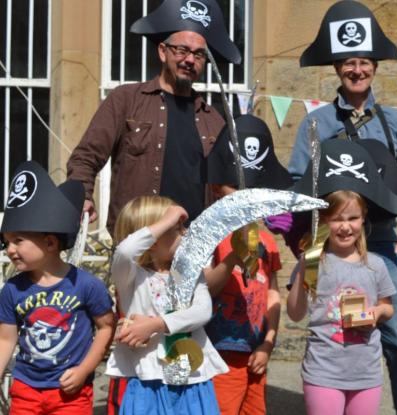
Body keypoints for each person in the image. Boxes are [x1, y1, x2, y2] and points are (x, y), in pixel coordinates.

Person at [288, 2, 397, 413]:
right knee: (329, 328)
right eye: (349, 63)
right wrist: (304, 245)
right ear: (336, 68)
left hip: (384, 243)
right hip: (329, 245)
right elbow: (298, 187)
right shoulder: (315, 124)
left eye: (364, 62)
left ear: (374, 67)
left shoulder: (394, 123)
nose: (357, 71)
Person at [66, 0, 242, 235]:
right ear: (162, 51)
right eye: (182, 50)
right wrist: (82, 196)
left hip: (193, 248)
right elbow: (86, 157)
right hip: (136, 242)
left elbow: (228, 189)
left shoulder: (214, 121)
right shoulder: (125, 100)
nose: (190, 60)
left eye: (199, 55)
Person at [287, 138, 397, 415]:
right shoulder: (314, 262)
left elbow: (388, 307)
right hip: (323, 372)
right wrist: (303, 271)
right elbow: (296, 313)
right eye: (336, 219)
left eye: (353, 218)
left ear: (363, 218)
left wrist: (376, 312)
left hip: (365, 374)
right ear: (322, 220)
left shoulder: (376, 266)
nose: (345, 227)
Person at [0, 161, 115, 414]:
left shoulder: (87, 285)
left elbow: (107, 326)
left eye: (17, 241)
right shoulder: (11, 290)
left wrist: (86, 369)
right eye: (6, 242)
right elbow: (6, 338)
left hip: (71, 394)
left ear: (50, 242)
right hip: (25, 392)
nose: (9, 250)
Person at [105, 196, 228, 414]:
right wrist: (166, 221)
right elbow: (125, 251)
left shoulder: (187, 273)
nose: (186, 232)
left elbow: (202, 311)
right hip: (148, 379)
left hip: (190, 378)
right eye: (177, 228)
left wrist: (156, 324)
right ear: (152, 241)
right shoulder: (131, 276)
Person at [204, 114, 292, 414]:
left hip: (257, 351)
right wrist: (232, 257)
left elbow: (273, 295)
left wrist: (269, 342)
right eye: (236, 190)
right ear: (217, 189)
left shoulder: (267, 241)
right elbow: (205, 290)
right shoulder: (209, 237)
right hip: (219, 352)